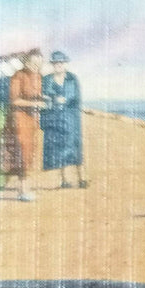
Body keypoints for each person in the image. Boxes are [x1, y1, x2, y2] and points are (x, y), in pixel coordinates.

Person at [0, 48, 47, 201]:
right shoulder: (18, 76)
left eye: (38, 63)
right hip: (19, 118)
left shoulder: (38, 76)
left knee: (29, 151)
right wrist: (35, 103)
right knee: (22, 153)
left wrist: (43, 99)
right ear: (25, 62)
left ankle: (19, 188)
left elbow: (37, 95)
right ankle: (22, 191)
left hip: (32, 119)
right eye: (32, 63)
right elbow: (14, 100)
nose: (35, 66)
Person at [41, 50, 87, 188]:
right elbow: (43, 96)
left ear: (65, 63)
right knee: (59, 149)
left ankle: (82, 179)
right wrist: (54, 99)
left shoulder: (72, 78)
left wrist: (68, 104)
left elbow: (77, 98)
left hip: (71, 117)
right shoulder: (47, 79)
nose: (58, 65)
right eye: (56, 63)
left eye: (61, 62)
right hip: (54, 117)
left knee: (75, 147)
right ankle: (65, 180)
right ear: (52, 64)